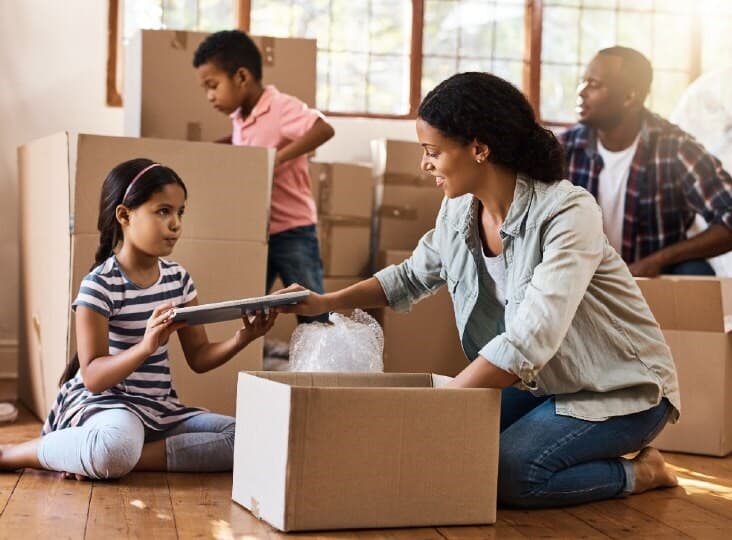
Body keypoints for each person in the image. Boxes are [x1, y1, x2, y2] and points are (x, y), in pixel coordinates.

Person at [278, 72, 681, 508]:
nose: (425, 165)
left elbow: (528, 341)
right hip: (545, 384)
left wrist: (438, 404)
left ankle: (642, 471)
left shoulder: (567, 212)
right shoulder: (458, 210)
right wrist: (326, 302)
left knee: (512, 472)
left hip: (618, 388)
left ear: (479, 148)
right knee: (457, 446)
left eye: (433, 152)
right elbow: (412, 276)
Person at [0, 159, 276, 480]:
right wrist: (145, 347)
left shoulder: (178, 279)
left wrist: (246, 336)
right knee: (117, 443)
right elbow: (92, 377)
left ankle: (108, 455)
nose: (176, 224)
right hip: (106, 404)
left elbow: (199, 357)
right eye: (163, 211)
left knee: (245, 438)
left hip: (158, 408)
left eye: (180, 212)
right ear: (124, 215)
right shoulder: (99, 284)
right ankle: (11, 454)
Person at [560, 46, 732, 277]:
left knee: (695, 271)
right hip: (582, 282)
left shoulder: (675, 148)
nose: (581, 91)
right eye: (582, 81)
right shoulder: (565, 149)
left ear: (629, 97)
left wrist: (659, 260)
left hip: (652, 282)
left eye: (594, 84)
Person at [193, 30, 334, 323]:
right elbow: (247, 147)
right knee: (248, 311)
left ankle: (323, 367)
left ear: (241, 77)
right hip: (257, 231)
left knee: (312, 311)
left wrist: (273, 160)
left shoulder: (280, 107)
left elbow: (323, 129)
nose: (209, 96)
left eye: (213, 85)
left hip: (293, 229)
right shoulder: (239, 116)